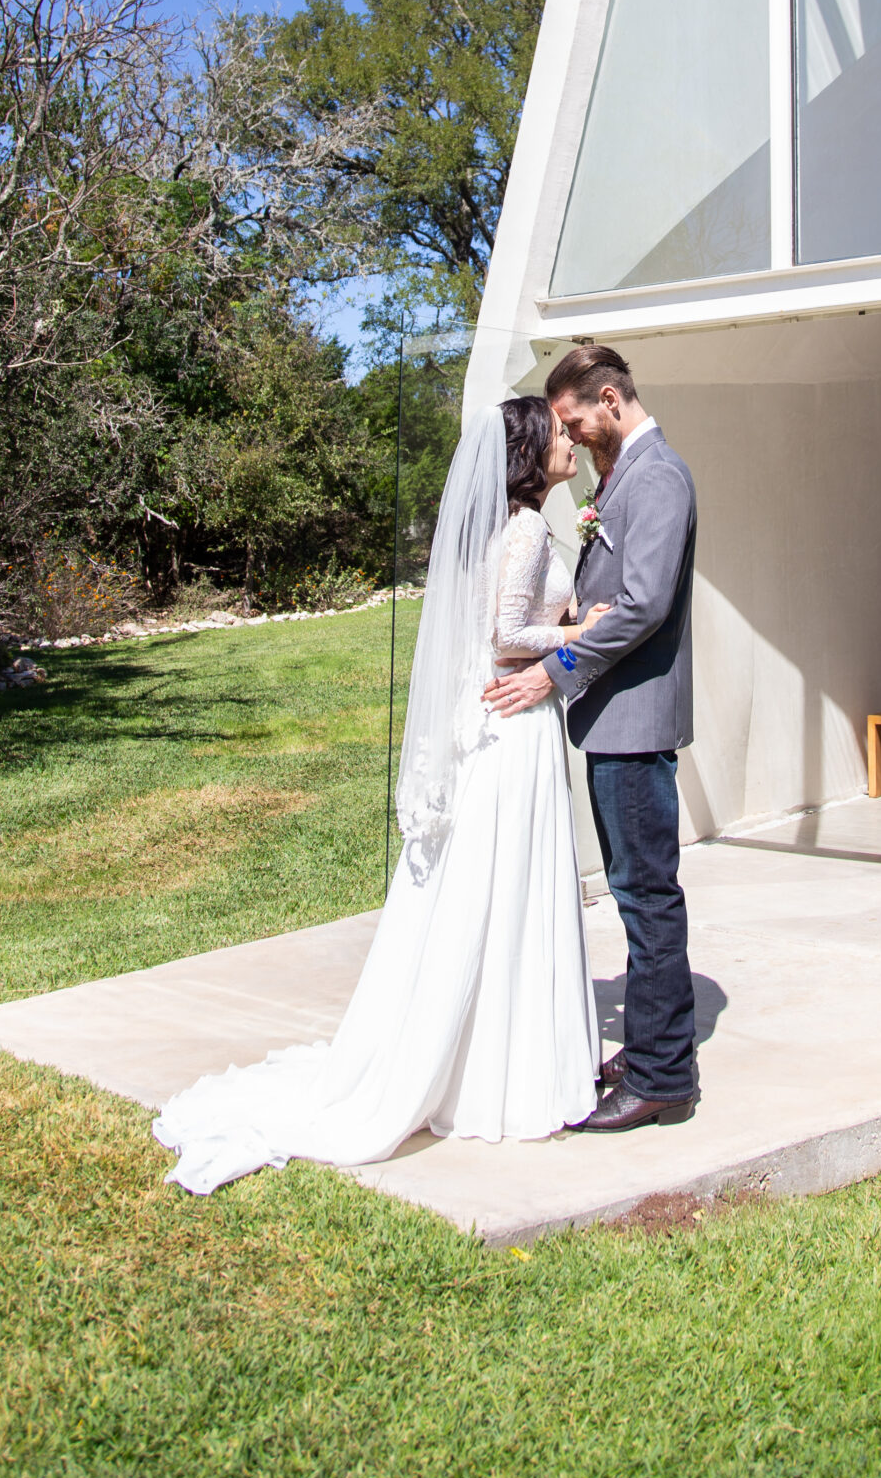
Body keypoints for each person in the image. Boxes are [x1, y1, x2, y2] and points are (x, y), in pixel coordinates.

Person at [153, 396, 605, 1192]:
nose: (571, 441)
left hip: (491, 723)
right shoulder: (528, 525)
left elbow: (500, 614)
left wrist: (561, 610)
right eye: (560, 434)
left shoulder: (502, 525)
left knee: (487, 893)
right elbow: (505, 635)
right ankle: (505, 1071)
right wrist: (578, 631)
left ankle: (470, 1060)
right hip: (513, 720)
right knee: (509, 889)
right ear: (533, 451)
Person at [484, 342, 699, 1134]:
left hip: (635, 722)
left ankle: (663, 1077)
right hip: (611, 721)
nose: (568, 435)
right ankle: (649, 1050)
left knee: (646, 898)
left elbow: (641, 606)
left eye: (574, 417)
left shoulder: (659, 476)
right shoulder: (619, 479)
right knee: (634, 892)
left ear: (609, 399)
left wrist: (554, 671)